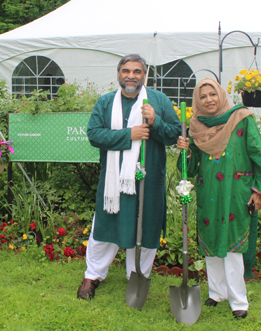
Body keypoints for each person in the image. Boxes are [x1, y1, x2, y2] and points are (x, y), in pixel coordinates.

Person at [77, 54, 181, 299]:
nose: (131, 76)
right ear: (118, 74)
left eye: (137, 71)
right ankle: (92, 275)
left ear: (144, 75)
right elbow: (94, 135)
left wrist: (155, 121)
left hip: (149, 177)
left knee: (146, 226)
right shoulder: (105, 103)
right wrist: (129, 134)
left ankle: (137, 276)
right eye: (126, 71)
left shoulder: (159, 100)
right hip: (113, 182)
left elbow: (174, 134)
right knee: (105, 225)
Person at [177, 78, 261, 319]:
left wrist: (258, 190)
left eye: (212, 94)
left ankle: (238, 300)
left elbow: (257, 154)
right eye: (203, 96)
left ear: (221, 94)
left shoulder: (242, 117)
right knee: (211, 241)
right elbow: (191, 168)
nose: (208, 100)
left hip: (235, 189)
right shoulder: (197, 126)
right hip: (208, 191)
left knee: (232, 244)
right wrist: (186, 150)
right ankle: (217, 293)